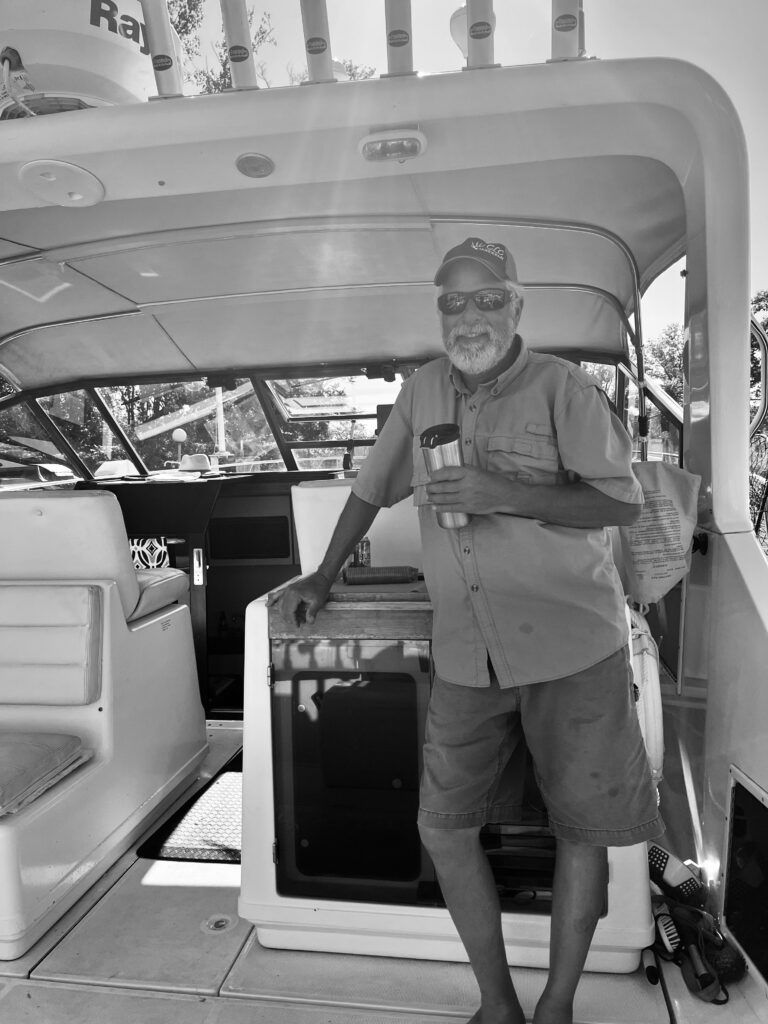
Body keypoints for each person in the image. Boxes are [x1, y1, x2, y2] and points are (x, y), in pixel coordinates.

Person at [270, 237, 664, 1024]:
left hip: (572, 650)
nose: (469, 314)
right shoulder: (421, 391)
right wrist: (322, 572)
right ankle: (498, 1006)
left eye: (487, 297)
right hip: (465, 654)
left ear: (516, 305)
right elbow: (370, 490)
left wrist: (504, 491)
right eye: (453, 300)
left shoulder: (563, 388)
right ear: (439, 311)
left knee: (579, 831)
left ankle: (554, 1008)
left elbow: (622, 504)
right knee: (443, 828)